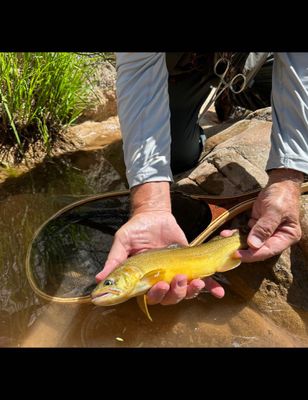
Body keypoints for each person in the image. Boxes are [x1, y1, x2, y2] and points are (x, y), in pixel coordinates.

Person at [96, 52, 307, 306]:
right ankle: (212, 89)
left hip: (257, 58)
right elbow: (139, 69)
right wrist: (149, 204)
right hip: (188, 61)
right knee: (176, 155)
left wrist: (287, 176)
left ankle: (234, 89)